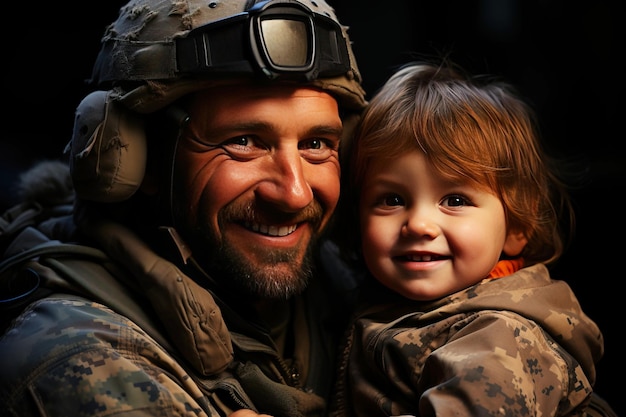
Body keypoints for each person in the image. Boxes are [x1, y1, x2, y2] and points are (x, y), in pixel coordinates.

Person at [0, 0, 366, 416]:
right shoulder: (81, 362)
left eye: (316, 144)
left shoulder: (357, 289)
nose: (295, 194)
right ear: (140, 156)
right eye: (244, 141)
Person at [327, 61, 605, 417]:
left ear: (518, 225)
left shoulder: (500, 336)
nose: (419, 224)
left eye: (455, 200)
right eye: (392, 200)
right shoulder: (386, 306)